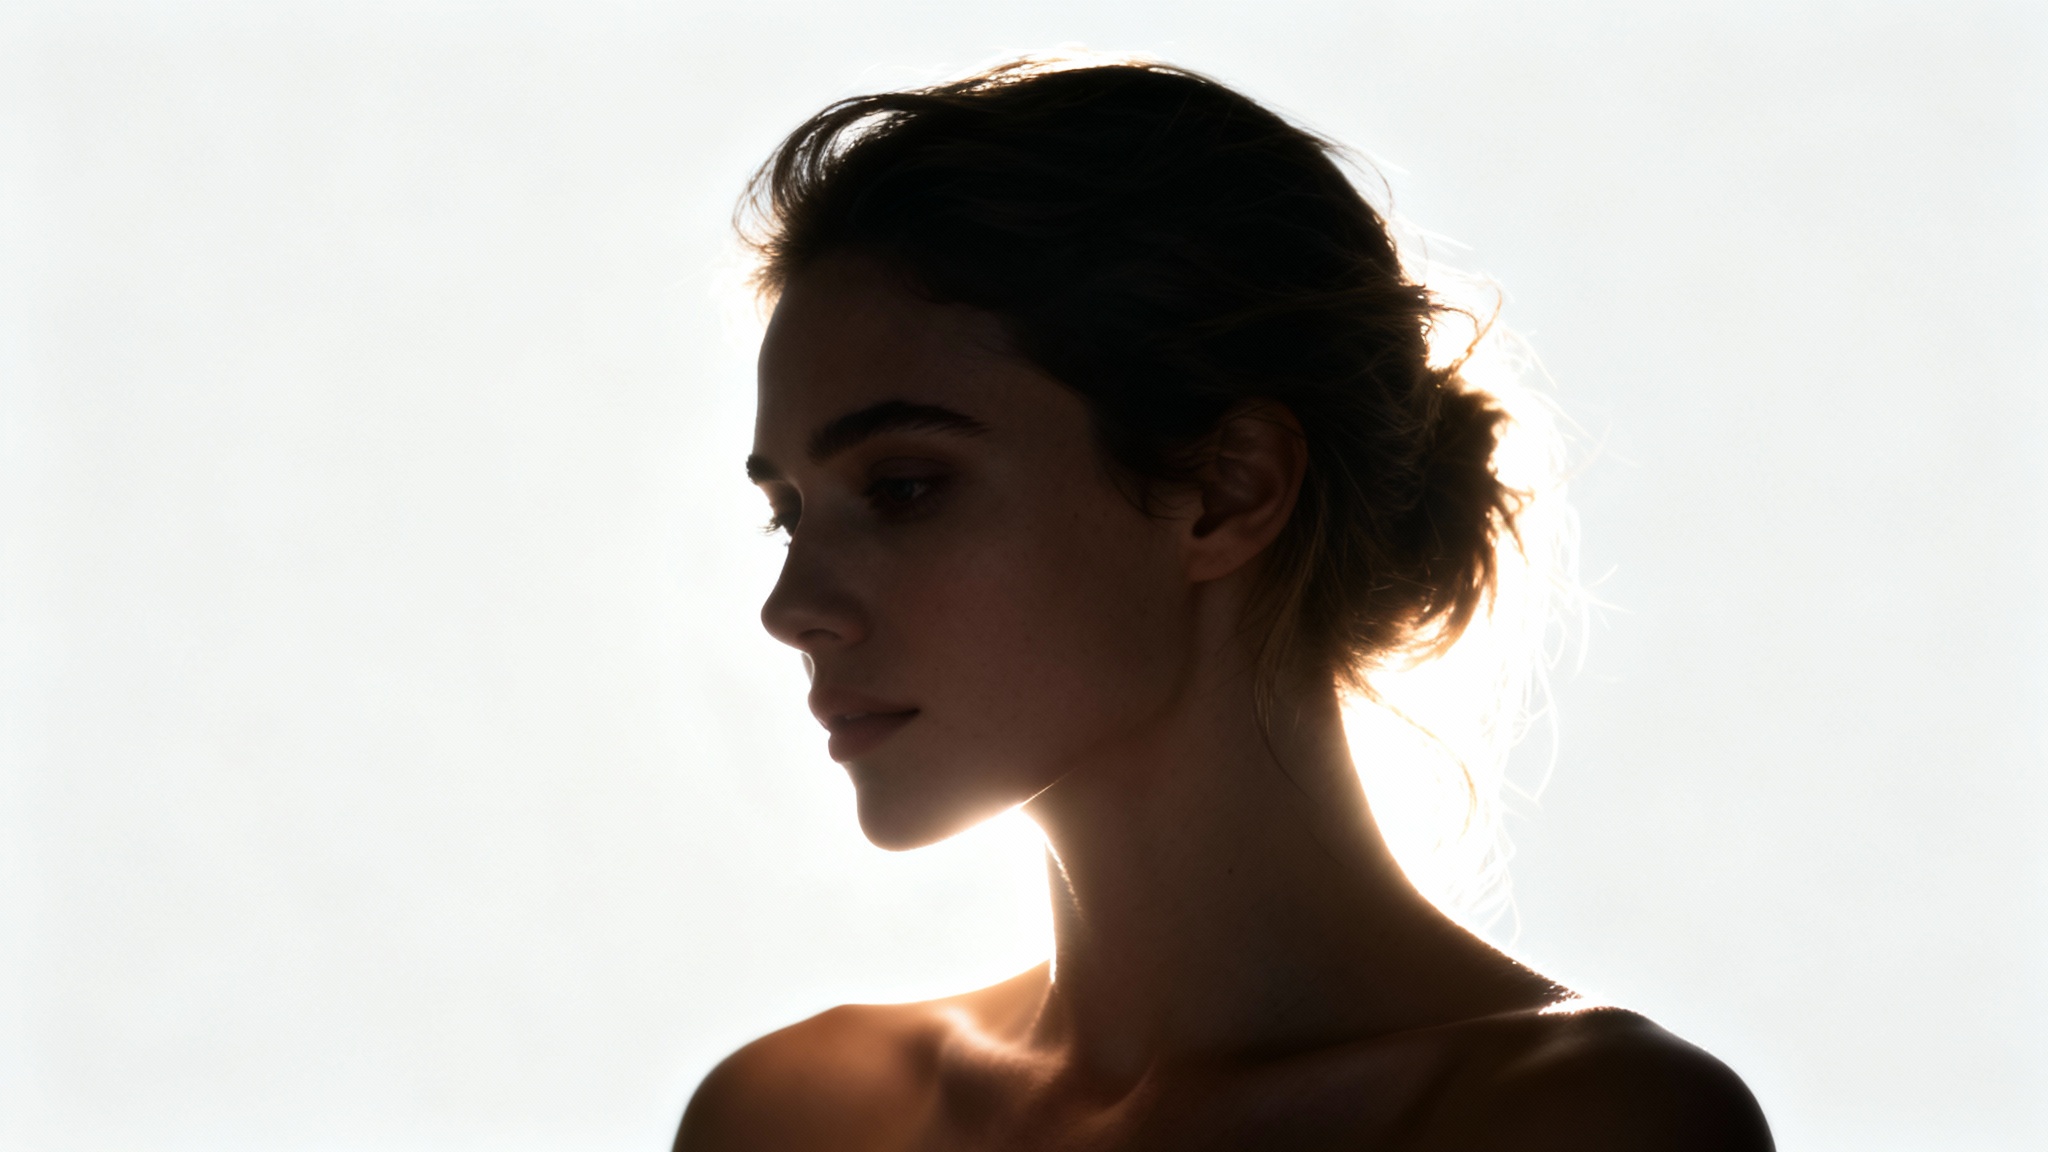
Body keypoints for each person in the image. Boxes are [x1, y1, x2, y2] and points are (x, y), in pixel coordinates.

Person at [677, 57, 1772, 1151]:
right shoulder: (792, 1118)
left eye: (903, 487)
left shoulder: (1575, 1122)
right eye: (789, 514)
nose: (791, 608)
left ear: (1226, 488)